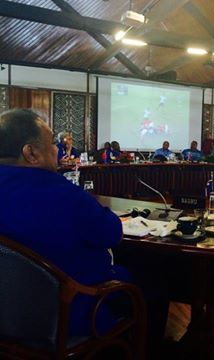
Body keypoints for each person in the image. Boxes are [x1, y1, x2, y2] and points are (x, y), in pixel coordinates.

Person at [0, 109, 169, 355]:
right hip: (67, 316)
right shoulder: (60, 192)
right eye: (52, 144)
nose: (58, 150)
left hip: (7, 317)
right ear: (31, 153)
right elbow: (111, 234)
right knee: (155, 284)